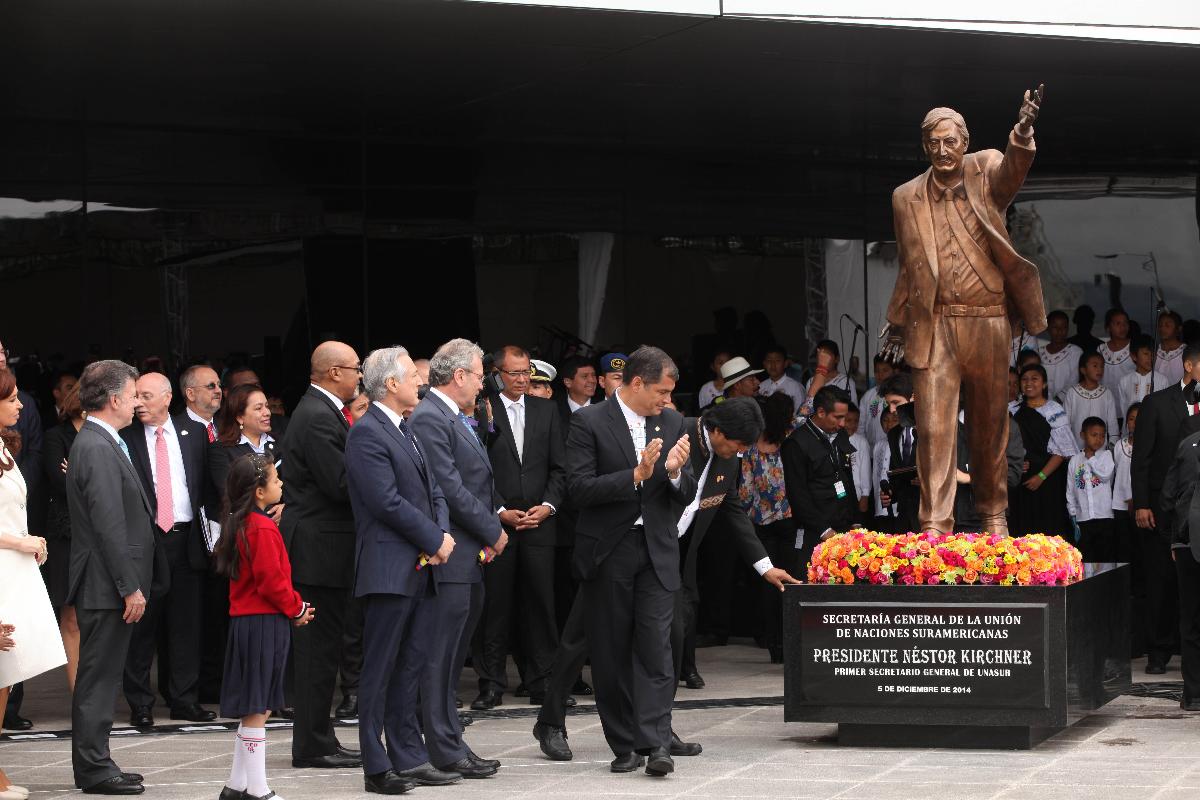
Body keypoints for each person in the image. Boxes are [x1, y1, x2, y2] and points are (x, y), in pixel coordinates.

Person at [565, 346, 695, 777]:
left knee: (657, 647)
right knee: (611, 650)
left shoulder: (673, 421)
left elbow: (685, 489)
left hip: (657, 548)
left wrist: (675, 472)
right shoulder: (589, 421)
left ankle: (656, 743)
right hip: (610, 549)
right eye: (661, 391)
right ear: (635, 383)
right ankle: (624, 744)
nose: (666, 400)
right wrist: (634, 477)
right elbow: (579, 490)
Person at [344, 346, 460, 794]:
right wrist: (434, 539)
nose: (421, 381)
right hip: (390, 566)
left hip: (422, 565)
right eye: (413, 374)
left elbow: (435, 492)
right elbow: (384, 501)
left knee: (410, 665)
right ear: (390, 384)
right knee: (380, 668)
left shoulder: (406, 427)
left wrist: (442, 535)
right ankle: (376, 766)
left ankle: (409, 757)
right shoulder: (367, 432)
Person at [408, 338, 506, 779]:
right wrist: (492, 530)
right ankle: (444, 747)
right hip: (450, 557)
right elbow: (449, 487)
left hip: (469, 554)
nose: (483, 383)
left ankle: (449, 739)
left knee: (451, 657)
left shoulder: (457, 416)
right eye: (479, 374)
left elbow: (477, 480)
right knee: (440, 657)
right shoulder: (432, 417)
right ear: (459, 376)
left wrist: (492, 522)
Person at [66, 359, 154, 795]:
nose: (139, 402)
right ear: (115, 398)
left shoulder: (104, 440)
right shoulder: (97, 445)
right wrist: (130, 585)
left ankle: (98, 761)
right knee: (98, 681)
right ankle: (95, 769)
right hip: (106, 584)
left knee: (102, 678)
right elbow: (108, 524)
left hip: (107, 583)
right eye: (136, 394)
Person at [279, 341, 363, 769]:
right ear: (333, 373)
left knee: (324, 651)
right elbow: (340, 484)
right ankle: (311, 744)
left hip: (324, 549)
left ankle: (321, 737)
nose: (359, 376)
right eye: (355, 368)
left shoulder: (323, 411)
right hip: (317, 550)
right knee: (316, 653)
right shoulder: (316, 416)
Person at [215, 455, 315, 800]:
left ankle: (237, 784)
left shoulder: (243, 523)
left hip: (250, 622)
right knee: (258, 706)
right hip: (263, 622)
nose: (281, 484)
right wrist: (297, 607)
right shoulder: (262, 528)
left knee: (255, 705)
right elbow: (272, 582)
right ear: (259, 492)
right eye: (275, 481)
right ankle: (258, 790)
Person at [119, 372, 216, 727]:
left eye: (145, 396)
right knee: (143, 624)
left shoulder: (193, 435)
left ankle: (184, 700)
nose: (138, 403)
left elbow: (207, 485)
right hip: (148, 541)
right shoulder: (125, 438)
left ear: (166, 397)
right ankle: (140, 703)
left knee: (186, 623)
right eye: (135, 396)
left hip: (187, 538)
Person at [474, 347, 565, 709]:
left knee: (540, 604)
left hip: (540, 523)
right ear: (498, 374)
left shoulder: (547, 409)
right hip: (499, 525)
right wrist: (498, 510)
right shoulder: (484, 408)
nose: (523, 379)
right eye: (515, 373)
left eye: (526, 372)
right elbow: (476, 466)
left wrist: (548, 506)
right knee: (496, 606)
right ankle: (492, 683)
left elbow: (561, 466)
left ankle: (541, 681)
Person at [0, 368, 65, 800]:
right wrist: (21, 541)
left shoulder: (5, 448)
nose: (21, 405)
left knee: (6, 677)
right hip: (4, 570)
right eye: (12, 398)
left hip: (14, 569)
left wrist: (28, 542)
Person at [1131, 342, 1200, 674]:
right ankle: (1158, 650)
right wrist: (1142, 503)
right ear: (1189, 365)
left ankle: (1193, 654)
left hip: (1197, 509)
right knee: (1160, 579)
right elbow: (1141, 459)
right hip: (1162, 507)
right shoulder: (1156, 403)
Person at [734, 393, 803, 664]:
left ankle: (772, 641)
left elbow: (746, 490)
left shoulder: (751, 447)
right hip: (789, 519)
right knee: (791, 578)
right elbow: (809, 411)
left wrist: (747, 518)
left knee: (768, 582)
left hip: (759, 521)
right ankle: (790, 640)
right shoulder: (793, 439)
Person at [782, 386, 858, 576]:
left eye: (845, 417)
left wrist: (856, 520)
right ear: (821, 412)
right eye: (838, 417)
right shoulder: (796, 443)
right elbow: (797, 494)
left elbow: (847, 478)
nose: (843, 423)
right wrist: (824, 530)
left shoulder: (840, 435)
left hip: (844, 526)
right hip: (815, 532)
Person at [42, 381, 84, 691]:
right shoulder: (56, 436)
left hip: (104, 534)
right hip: (67, 534)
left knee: (104, 617)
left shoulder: (114, 436)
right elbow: (59, 482)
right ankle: (78, 696)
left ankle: (101, 695)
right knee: (71, 615)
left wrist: (79, 474)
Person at [1010, 364, 1078, 539]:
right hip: (1020, 478)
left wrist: (1041, 476)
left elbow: (1063, 451)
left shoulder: (1054, 410)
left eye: (1034, 379)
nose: (1029, 383)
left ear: (1045, 384)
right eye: (1024, 379)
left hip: (1048, 478)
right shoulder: (1013, 410)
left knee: (1049, 529)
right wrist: (1014, 463)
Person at [1160, 425, 1200, 710]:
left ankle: (1195, 695)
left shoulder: (1187, 444)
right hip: (1188, 543)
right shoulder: (1187, 445)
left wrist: (1175, 540)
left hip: (1187, 544)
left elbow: (1167, 497)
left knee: (1191, 621)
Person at [1066, 417, 1116, 562]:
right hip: (1083, 519)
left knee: (1105, 557)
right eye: (1094, 435)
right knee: (1086, 558)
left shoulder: (1106, 456)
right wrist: (1073, 514)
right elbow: (1070, 489)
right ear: (1082, 435)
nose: (1098, 439)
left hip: (1104, 517)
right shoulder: (1075, 460)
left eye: (1102, 435)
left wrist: (1091, 459)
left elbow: (1105, 475)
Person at [1059, 352, 1119, 446]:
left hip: (1100, 452)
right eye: (1095, 366)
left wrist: (1112, 445)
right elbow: (1065, 423)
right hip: (1077, 449)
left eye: (1102, 366)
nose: (1099, 369)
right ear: (1083, 370)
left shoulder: (1107, 393)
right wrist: (1066, 446)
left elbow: (1112, 424)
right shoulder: (1072, 393)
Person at [1119, 336, 1171, 417]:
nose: (1151, 358)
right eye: (1146, 354)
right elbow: (1124, 409)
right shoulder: (1124, 381)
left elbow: (1165, 408)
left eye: (1153, 354)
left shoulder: (1162, 380)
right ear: (1134, 356)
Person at [1039, 311, 1084, 401]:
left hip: (1066, 403)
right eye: (1055, 327)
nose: (1059, 331)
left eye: (1064, 327)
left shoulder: (1075, 352)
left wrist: (1057, 400)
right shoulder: (1039, 352)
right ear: (1048, 328)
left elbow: (1074, 380)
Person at [858, 354, 897, 449]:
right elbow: (861, 426)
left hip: (893, 448)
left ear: (894, 371)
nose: (880, 375)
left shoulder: (897, 396)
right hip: (871, 449)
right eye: (877, 371)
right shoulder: (868, 396)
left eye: (885, 370)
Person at [803, 341, 857, 405]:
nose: (823, 359)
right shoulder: (811, 382)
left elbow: (853, 410)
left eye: (826, 356)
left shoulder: (846, 382)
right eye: (820, 356)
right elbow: (807, 409)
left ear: (837, 359)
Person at [1098, 308, 1134, 402]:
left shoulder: (1135, 347)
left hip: (1129, 403)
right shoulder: (1100, 350)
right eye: (1117, 324)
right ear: (1108, 328)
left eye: (1125, 323)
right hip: (1105, 402)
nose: (1123, 327)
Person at [845, 404, 872, 524]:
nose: (852, 425)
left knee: (856, 530)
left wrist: (865, 495)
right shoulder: (833, 439)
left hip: (857, 494)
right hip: (839, 496)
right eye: (848, 420)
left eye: (856, 421)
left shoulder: (861, 442)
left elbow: (865, 470)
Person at [758, 346, 805, 411]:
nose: (773, 365)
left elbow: (801, 415)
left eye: (777, 361)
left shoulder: (796, 387)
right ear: (764, 364)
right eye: (769, 361)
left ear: (785, 364)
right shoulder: (761, 387)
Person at [557, 356, 597, 425]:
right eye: (585, 376)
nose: (592, 380)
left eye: (593, 375)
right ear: (568, 382)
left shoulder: (605, 408)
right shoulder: (555, 410)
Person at [1156, 311, 1187, 385]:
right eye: (1160, 325)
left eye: (1167, 325)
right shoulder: (1153, 350)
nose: (1162, 328)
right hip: (1156, 396)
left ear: (1179, 328)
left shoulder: (1186, 351)